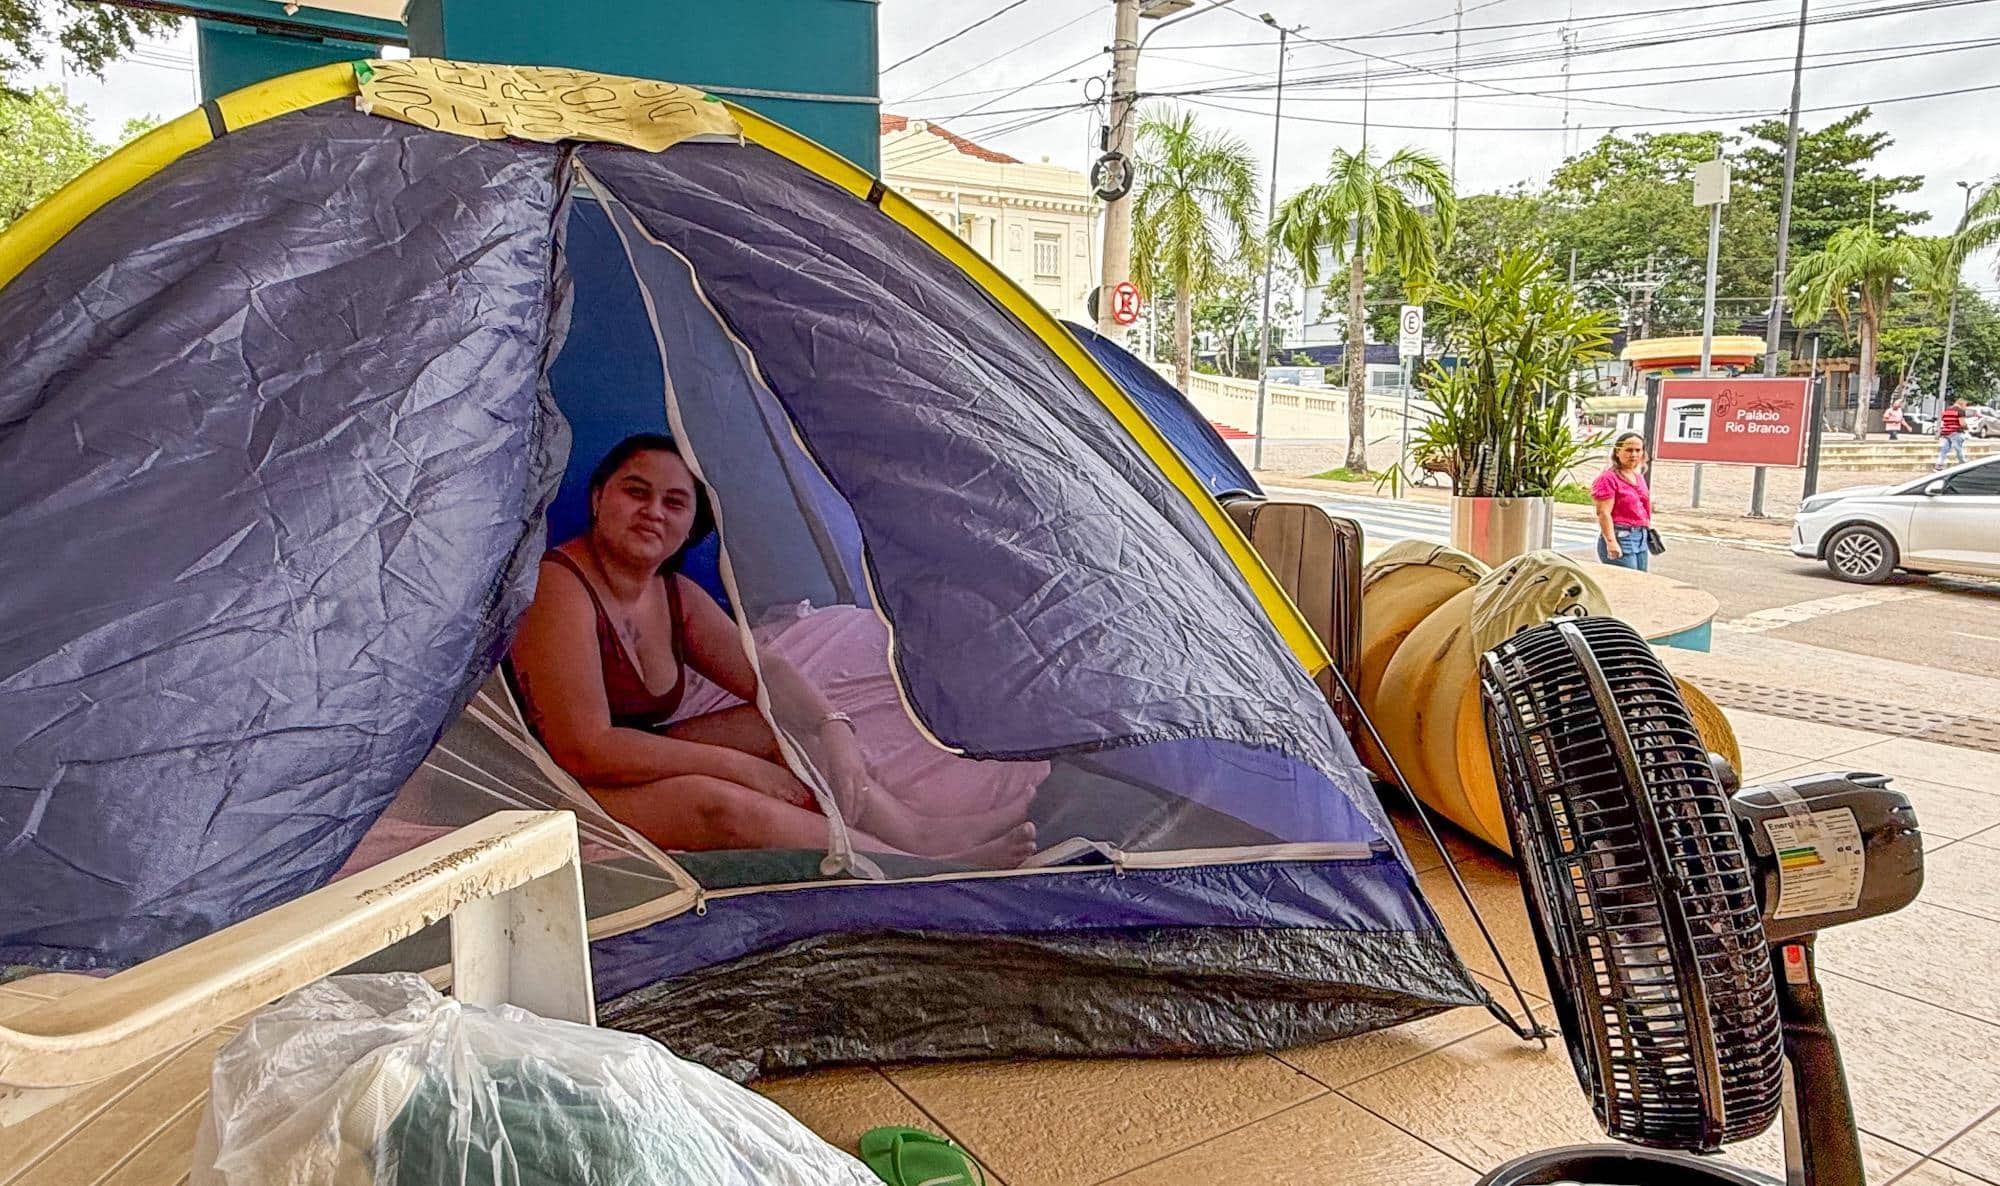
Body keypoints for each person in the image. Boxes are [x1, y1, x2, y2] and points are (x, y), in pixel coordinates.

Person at [508, 434, 1036, 867]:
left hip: (624, 760)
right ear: (599, 497)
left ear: (693, 524)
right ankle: (915, 868)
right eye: (635, 492)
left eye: (674, 502)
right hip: (551, 783)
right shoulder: (559, 588)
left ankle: (917, 833)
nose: (653, 512)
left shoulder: (674, 594)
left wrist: (833, 726)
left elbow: (768, 677)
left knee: (782, 724)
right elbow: (585, 748)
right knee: (716, 803)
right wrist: (738, 768)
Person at [1591, 432, 1653, 573]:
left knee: (1641, 584)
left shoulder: (1638, 477)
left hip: (1640, 538)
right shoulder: (1608, 478)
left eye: (1638, 450)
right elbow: (1603, 513)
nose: (1634, 454)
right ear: (1618, 452)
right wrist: (1611, 542)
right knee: (1627, 584)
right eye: (1629, 450)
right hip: (1621, 538)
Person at [1938, 397, 1971, 469]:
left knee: (1944, 449)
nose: (1965, 407)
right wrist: (1967, 427)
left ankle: (1939, 464)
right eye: (1965, 405)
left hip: (1946, 432)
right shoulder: (1960, 411)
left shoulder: (1946, 410)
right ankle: (1963, 463)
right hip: (1956, 432)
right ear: (1962, 404)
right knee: (1958, 448)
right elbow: (1962, 423)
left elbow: (1944, 420)